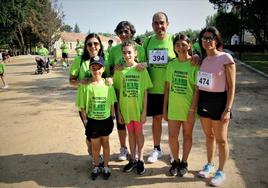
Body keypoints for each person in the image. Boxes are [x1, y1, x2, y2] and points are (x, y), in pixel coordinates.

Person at [196, 26, 236, 187]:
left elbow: (232, 87)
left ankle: (221, 171)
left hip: (220, 102)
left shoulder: (226, 58)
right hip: (204, 100)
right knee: (209, 136)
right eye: (204, 38)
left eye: (210, 37)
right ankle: (210, 164)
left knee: (221, 140)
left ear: (217, 39)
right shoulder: (203, 60)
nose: (207, 41)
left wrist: (228, 109)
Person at [113, 40, 152, 175]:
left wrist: (144, 111)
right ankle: (133, 159)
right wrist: (119, 112)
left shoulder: (141, 69)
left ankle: (140, 159)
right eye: (124, 53)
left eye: (129, 52)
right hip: (126, 110)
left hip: (138, 109)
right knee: (130, 134)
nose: (127, 55)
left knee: (139, 133)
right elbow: (117, 92)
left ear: (135, 53)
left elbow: (146, 91)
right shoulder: (119, 71)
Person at [69, 33, 109, 166]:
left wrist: (110, 79)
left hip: (102, 105)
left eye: (96, 43)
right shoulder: (79, 61)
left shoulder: (105, 59)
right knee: (91, 134)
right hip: (86, 106)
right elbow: (71, 81)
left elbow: (109, 78)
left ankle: (99, 155)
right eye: (89, 44)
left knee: (103, 135)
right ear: (86, 46)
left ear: (100, 45)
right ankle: (93, 153)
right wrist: (81, 81)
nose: (93, 46)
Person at [109, 21, 146, 161]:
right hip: (120, 90)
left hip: (135, 93)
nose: (123, 34)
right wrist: (115, 69)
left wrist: (144, 64)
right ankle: (124, 148)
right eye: (120, 32)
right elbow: (108, 70)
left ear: (132, 32)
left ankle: (137, 154)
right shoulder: (113, 50)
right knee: (121, 122)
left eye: (126, 31)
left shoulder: (140, 48)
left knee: (135, 125)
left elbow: (146, 65)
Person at [163, 34, 199, 177]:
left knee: (187, 135)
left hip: (189, 108)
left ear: (189, 45)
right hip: (174, 108)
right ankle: (176, 161)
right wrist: (164, 108)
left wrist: (192, 109)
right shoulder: (171, 64)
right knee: (172, 136)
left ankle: (184, 162)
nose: (181, 47)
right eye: (177, 45)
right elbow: (167, 88)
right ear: (174, 48)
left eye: (184, 44)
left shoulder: (195, 64)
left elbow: (197, 89)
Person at [143, 12, 176, 163]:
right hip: (154, 89)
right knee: (156, 119)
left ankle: (174, 151)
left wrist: (195, 57)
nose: (159, 26)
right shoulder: (148, 42)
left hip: (172, 90)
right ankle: (157, 149)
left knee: (173, 121)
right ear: (152, 25)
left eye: (162, 22)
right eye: (156, 23)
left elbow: (187, 57)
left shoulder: (174, 40)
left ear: (167, 24)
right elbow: (141, 62)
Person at [77, 56, 117, 180]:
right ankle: (96, 165)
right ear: (90, 69)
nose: (96, 70)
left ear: (103, 69)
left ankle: (106, 166)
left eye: (99, 67)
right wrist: (85, 120)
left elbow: (112, 103)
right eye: (93, 68)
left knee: (105, 143)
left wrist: (112, 117)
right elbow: (82, 106)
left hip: (106, 121)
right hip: (93, 121)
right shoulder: (86, 86)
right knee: (95, 146)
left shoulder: (108, 85)